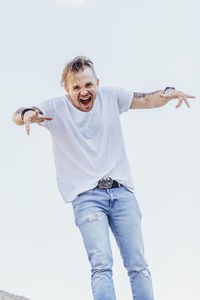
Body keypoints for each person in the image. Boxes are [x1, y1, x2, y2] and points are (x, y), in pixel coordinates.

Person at [12, 56, 195, 300]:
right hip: (87, 198)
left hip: (122, 193)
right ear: (67, 90)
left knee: (138, 265)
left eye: (88, 85)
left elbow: (148, 99)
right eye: (76, 87)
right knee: (101, 265)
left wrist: (167, 92)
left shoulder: (111, 97)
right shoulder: (55, 108)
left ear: (97, 83)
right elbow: (18, 114)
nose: (84, 92)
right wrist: (26, 116)